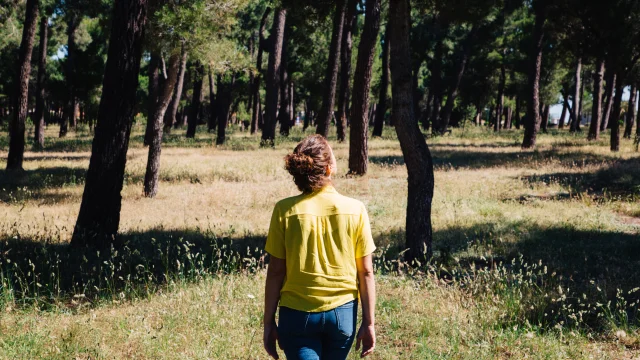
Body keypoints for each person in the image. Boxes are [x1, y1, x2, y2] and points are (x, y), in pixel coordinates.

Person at [263, 135, 376, 360]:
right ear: (329, 169)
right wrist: (369, 322)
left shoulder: (284, 210)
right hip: (343, 315)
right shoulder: (356, 209)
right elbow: (366, 272)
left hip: (296, 315)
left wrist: (268, 323)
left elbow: (276, 271)